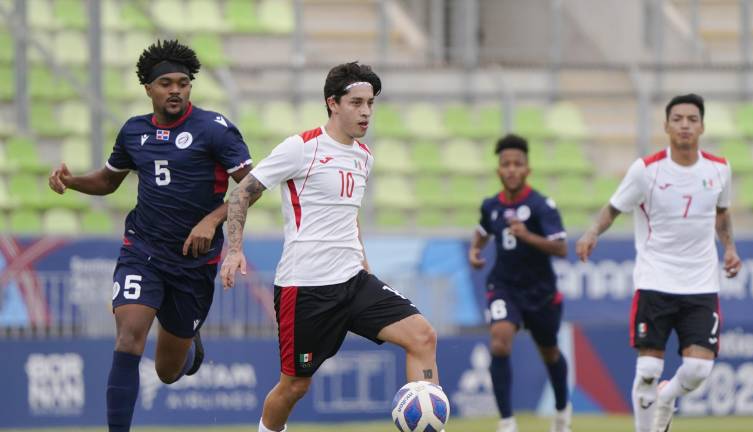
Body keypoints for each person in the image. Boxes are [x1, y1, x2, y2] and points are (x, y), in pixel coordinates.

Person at [220, 62, 443, 432]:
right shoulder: (301, 148)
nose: (366, 112)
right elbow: (242, 193)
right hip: (306, 288)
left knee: (423, 336)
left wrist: (365, 266)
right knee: (295, 386)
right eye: (356, 103)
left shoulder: (364, 156)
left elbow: (349, 215)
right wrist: (234, 249)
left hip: (354, 281)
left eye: (370, 103)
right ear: (333, 103)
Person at [48, 40, 253, 432]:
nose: (175, 90)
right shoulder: (134, 131)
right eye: (165, 83)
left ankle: (189, 349)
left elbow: (251, 186)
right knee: (129, 338)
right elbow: (109, 181)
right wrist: (72, 182)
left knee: (167, 372)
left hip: (193, 263)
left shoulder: (215, 130)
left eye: (183, 83)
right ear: (148, 88)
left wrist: (211, 221)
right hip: (142, 250)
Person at [575, 93, 741, 432]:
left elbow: (722, 214)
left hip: (701, 283)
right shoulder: (646, 170)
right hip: (655, 280)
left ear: (702, 126)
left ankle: (668, 397)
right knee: (648, 370)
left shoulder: (719, 168)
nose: (684, 125)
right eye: (677, 119)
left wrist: (729, 248)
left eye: (692, 119)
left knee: (698, 370)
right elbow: (614, 208)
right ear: (666, 126)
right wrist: (592, 232)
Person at [468, 134, 572, 432]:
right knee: (500, 340)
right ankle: (507, 423)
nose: (511, 169)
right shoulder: (491, 205)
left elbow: (561, 248)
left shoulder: (541, 206)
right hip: (504, 287)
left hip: (540, 292)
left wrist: (528, 236)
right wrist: (474, 250)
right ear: (498, 170)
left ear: (528, 169)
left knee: (550, 352)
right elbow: (482, 230)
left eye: (517, 164)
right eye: (506, 164)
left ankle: (562, 414)